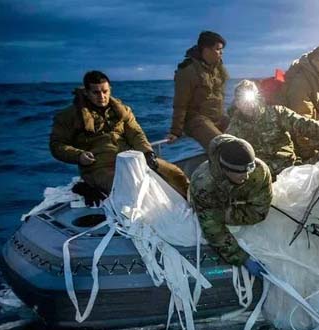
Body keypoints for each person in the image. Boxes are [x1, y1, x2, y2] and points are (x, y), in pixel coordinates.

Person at [50, 71, 189, 202]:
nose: (102, 96)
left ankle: (195, 207)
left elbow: (136, 134)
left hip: (130, 159)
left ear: (110, 89)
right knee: (128, 189)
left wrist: (148, 153)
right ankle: (87, 187)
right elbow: (57, 145)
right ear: (86, 93)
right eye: (96, 92)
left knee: (175, 174)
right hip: (98, 167)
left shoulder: (122, 111)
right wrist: (78, 155)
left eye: (105, 91)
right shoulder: (69, 116)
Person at [227, 80, 319, 177]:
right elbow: (226, 152)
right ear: (236, 103)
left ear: (257, 97)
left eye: (249, 99)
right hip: (262, 179)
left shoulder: (277, 113)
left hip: (291, 171)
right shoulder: (234, 128)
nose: (247, 104)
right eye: (241, 100)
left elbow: (305, 125)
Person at [189, 135, 272, 273]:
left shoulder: (259, 171)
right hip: (210, 204)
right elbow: (213, 229)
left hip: (232, 204)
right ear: (225, 169)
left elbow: (259, 211)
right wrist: (241, 258)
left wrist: (229, 213)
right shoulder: (203, 184)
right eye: (239, 172)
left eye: (248, 170)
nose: (245, 176)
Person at [167, 31, 230, 149]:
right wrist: (175, 131)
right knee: (223, 146)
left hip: (217, 117)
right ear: (206, 50)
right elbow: (180, 103)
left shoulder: (217, 68)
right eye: (218, 49)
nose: (221, 53)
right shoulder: (188, 70)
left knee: (243, 135)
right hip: (196, 120)